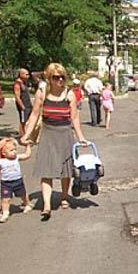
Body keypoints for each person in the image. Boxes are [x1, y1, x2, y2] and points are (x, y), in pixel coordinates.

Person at [21, 63, 87, 221]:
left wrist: (81, 137)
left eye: (62, 77)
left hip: (65, 134)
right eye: (56, 77)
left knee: (66, 170)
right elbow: (34, 114)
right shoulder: (42, 93)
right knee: (46, 170)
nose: (60, 80)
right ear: (49, 78)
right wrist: (26, 134)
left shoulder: (69, 94)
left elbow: (75, 118)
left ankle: (64, 196)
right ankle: (47, 206)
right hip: (48, 134)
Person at [0, 138, 34, 223]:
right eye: (11, 150)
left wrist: (28, 146)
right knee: (5, 198)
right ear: (4, 153)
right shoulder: (0, 162)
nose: (14, 151)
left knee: (23, 195)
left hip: (18, 181)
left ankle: (27, 204)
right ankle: (5, 212)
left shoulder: (17, 158)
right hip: (6, 183)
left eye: (15, 149)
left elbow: (27, 155)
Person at [13, 68, 32, 137]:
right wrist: (22, 106)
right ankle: (22, 136)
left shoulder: (24, 82)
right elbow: (17, 97)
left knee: (29, 120)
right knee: (23, 121)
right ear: (21, 74)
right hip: (23, 106)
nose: (28, 76)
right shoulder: (17, 83)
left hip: (28, 105)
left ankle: (26, 134)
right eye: (26, 74)